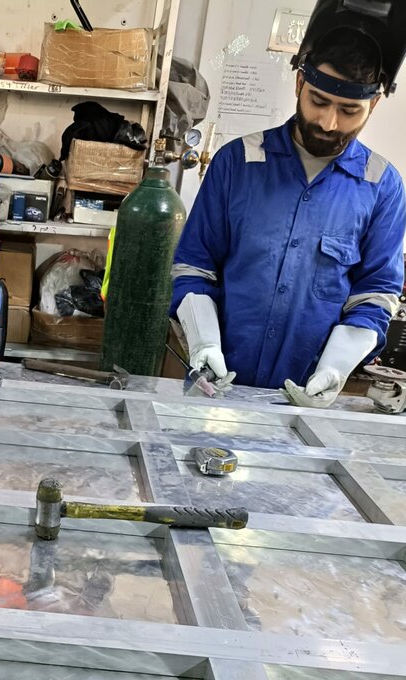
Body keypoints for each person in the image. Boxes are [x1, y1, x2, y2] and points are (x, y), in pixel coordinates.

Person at [170, 26, 406, 406]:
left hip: (304, 397)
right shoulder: (237, 163)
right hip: (217, 385)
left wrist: (337, 365)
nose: (329, 123)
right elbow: (194, 267)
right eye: (319, 101)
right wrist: (204, 341)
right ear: (299, 84)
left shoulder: (381, 186)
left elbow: (375, 295)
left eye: (349, 111)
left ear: (374, 105)